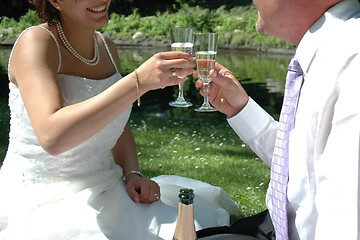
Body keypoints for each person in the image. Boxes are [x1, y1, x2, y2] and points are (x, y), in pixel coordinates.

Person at [0, 0, 239, 239]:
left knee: (187, 228)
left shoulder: (106, 48)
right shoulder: (36, 42)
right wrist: (137, 82)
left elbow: (114, 123)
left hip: (106, 189)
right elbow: (52, 137)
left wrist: (133, 173)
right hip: (42, 199)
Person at [195, 0, 360, 239]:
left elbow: (346, 222)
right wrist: (241, 109)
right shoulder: (331, 50)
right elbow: (302, 168)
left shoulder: (351, 65)